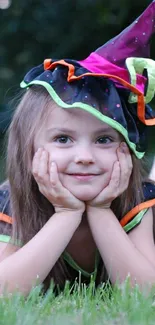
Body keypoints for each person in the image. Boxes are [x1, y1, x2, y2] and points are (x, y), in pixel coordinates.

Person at [0, 2, 155, 296]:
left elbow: (147, 294)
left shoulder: (138, 199)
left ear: (128, 149)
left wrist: (100, 210)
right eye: (62, 139)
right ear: (28, 149)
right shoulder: (11, 200)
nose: (84, 157)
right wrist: (66, 214)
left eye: (104, 140)